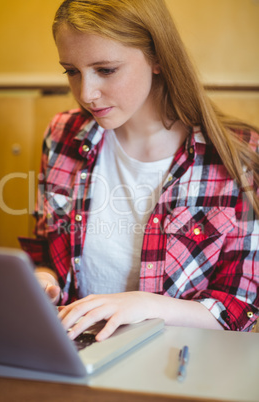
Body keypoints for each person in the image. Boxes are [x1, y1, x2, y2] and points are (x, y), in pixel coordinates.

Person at [19, 0, 259, 341]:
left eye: (106, 70)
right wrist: (46, 281)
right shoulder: (62, 136)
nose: (86, 93)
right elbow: (46, 251)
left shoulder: (239, 155)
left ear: (158, 58)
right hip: (76, 351)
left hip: (176, 361)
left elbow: (239, 308)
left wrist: (146, 306)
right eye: (71, 71)